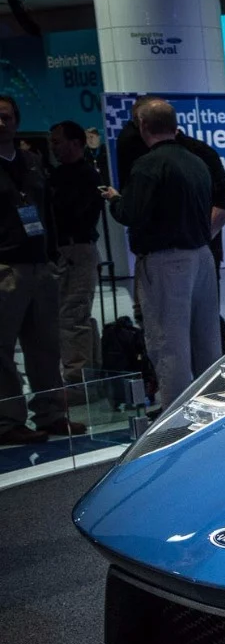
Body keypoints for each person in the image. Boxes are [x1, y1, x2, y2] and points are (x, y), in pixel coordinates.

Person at [106, 100, 218, 410]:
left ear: (143, 126)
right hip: (202, 256)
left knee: (169, 344)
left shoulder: (147, 165)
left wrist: (115, 200)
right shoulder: (197, 161)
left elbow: (131, 213)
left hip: (167, 261)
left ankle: (176, 417)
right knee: (206, 341)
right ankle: (215, 408)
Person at [117, 96, 225, 356]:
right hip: (196, 251)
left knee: (171, 338)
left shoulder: (159, 159)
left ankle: (192, 380)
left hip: (175, 254)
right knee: (200, 329)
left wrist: (197, 236)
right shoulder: (194, 155)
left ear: (144, 124)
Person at [0, 95, 82, 443]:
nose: (1, 123)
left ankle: (50, 414)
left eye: (6, 116)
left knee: (45, 347)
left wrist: (51, 255)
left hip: (39, 265)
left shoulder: (32, 162)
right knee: (2, 350)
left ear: (16, 121)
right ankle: (8, 421)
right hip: (6, 267)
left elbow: (46, 210)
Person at [48, 121, 104, 389]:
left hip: (76, 250)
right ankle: (85, 377)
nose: (53, 148)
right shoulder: (58, 175)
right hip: (68, 249)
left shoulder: (86, 176)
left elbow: (70, 213)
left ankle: (78, 383)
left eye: (57, 142)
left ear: (75, 143)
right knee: (73, 314)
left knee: (73, 315)